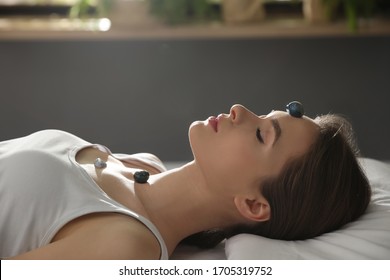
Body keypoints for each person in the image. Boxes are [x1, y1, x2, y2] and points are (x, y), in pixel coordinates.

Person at [0, 102, 371, 260]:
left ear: (253, 205)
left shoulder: (125, 245)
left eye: (261, 134)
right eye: (261, 114)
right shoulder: (144, 164)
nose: (240, 109)